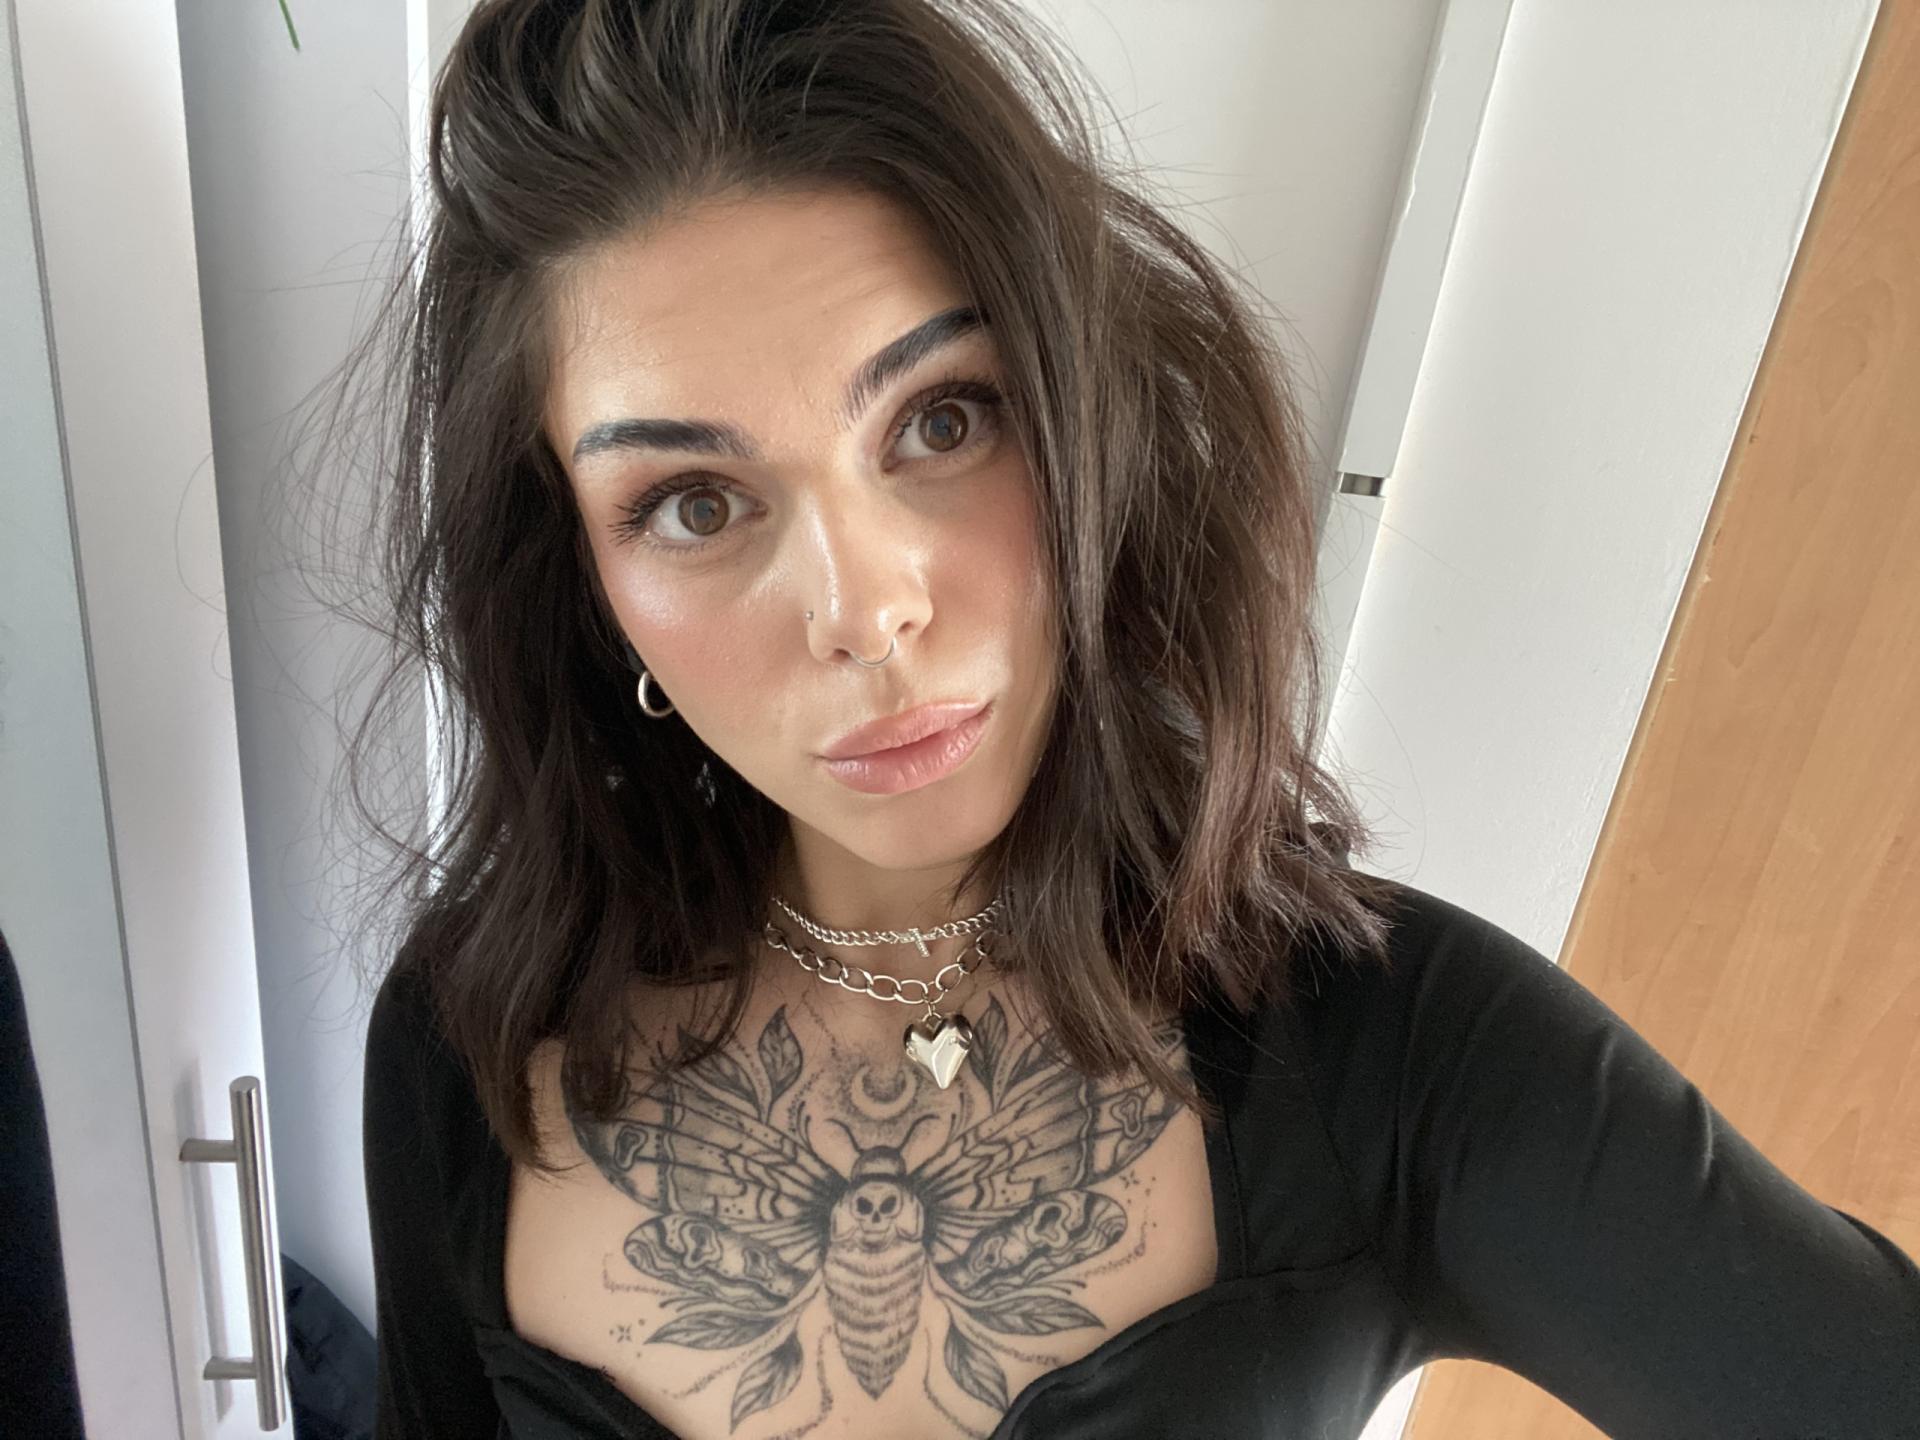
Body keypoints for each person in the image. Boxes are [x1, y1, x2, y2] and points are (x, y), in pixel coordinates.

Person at [344, 1, 1920, 1436]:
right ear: (581, 577)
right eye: (693, 502)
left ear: (1088, 415)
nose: (865, 609)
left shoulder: (1398, 1056)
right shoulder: (466, 1037)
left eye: (943, 419)